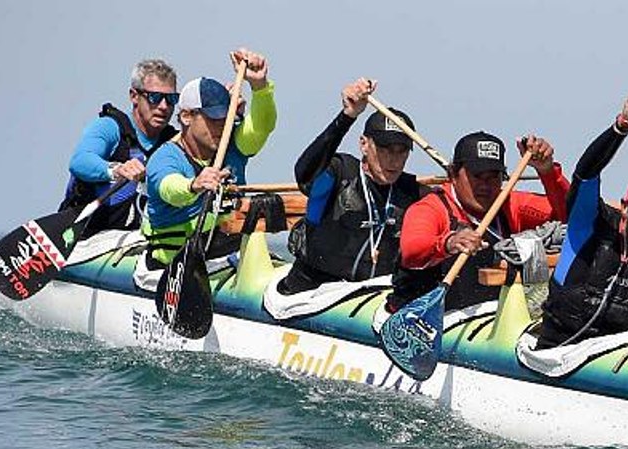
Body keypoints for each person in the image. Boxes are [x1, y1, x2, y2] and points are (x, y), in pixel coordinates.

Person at [535, 85, 628, 349]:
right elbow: (586, 173)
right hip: (556, 346)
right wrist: (623, 125)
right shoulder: (590, 224)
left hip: (614, 362)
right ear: (625, 207)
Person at [277, 77, 428, 295]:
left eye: (402, 150)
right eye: (386, 149)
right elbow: (305, 176)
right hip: (311, 293)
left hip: (372, 298)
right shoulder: (340, 172)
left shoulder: (412, 192)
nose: (394, 160)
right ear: (364, 144)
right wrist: (347, 117)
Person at [387, 131, 568, 311]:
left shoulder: (509, 204)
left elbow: (572, 217)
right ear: (453, 174)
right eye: (477, 176)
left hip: (491, 320)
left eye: (493, 176)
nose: (485, 186)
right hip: (431, 317)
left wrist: (547, 171)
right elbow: (411, 251)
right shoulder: (431, 208)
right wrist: (448, 243)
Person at [141, 48, 276, 274]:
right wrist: (193, 185)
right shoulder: (164, 158)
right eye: (213, 118)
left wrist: (260, 87)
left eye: (226, 118)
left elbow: (262, 127)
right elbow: (169, 189)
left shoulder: (232, 145)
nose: (222, 125)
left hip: (226, 255)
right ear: (186, 116)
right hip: (171, 264)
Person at [59, 58, 180, 231]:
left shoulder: (173, 141)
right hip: (84, 235)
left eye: (171, 99)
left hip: (134, 242)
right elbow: (80, 161)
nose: (163, 106)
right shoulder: (110, 127)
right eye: (155, 97)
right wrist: (117, 170)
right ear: (134, 96)